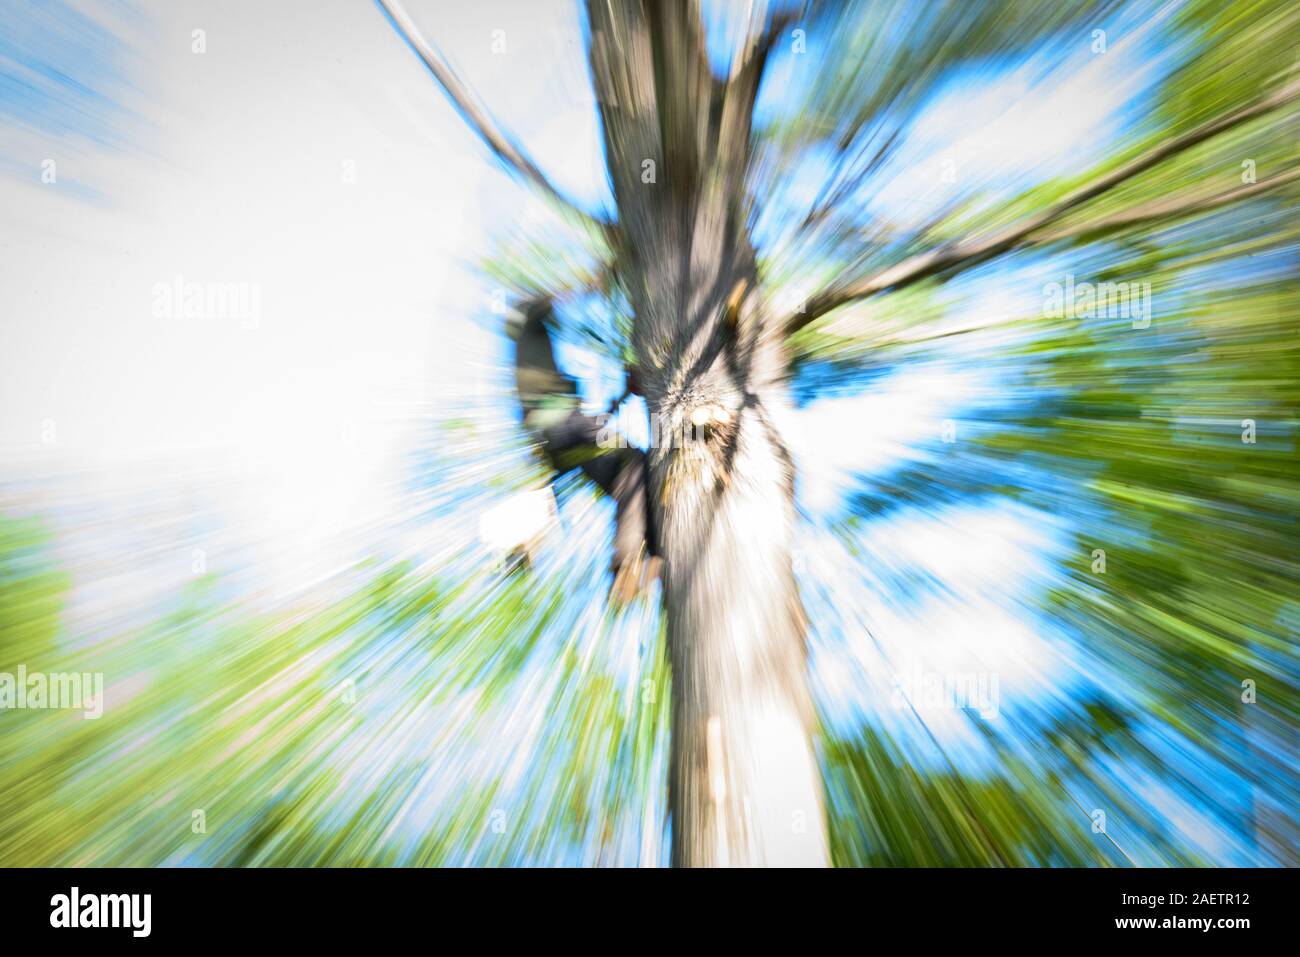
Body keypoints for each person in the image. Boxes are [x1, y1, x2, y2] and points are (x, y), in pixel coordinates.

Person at [509, 296, 661, 601]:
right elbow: (537, 309)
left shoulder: (532, 359)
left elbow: (589, 428)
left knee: (636, 478)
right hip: (562, 427)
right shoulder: (530, 332)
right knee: (633, 459)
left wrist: (624, 396)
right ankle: (630, 557)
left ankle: (653, 555)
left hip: (565, 443)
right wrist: (589, 286)